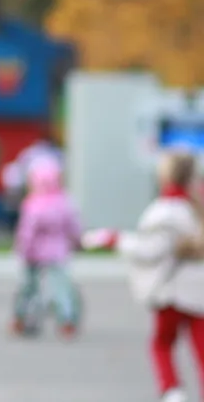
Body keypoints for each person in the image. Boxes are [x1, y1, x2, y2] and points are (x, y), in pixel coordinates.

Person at [83, 150, 204, 402]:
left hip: (171, 290)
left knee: (161, 344)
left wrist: (114, 239)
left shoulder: (163, 212)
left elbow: (148, 250)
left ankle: (172, 391)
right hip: (199, 292)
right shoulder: (196, 209)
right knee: (200, 349)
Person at [11, 157, 82, 339]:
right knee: (61, 287)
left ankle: (20, 317)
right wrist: (76, 241)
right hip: (57, 252)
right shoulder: (64, 201)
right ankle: (66, 320)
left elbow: (27, 232)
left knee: (28, 287)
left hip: (33, 253)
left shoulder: (33, 204)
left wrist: (22, 249)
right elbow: (73, 226)